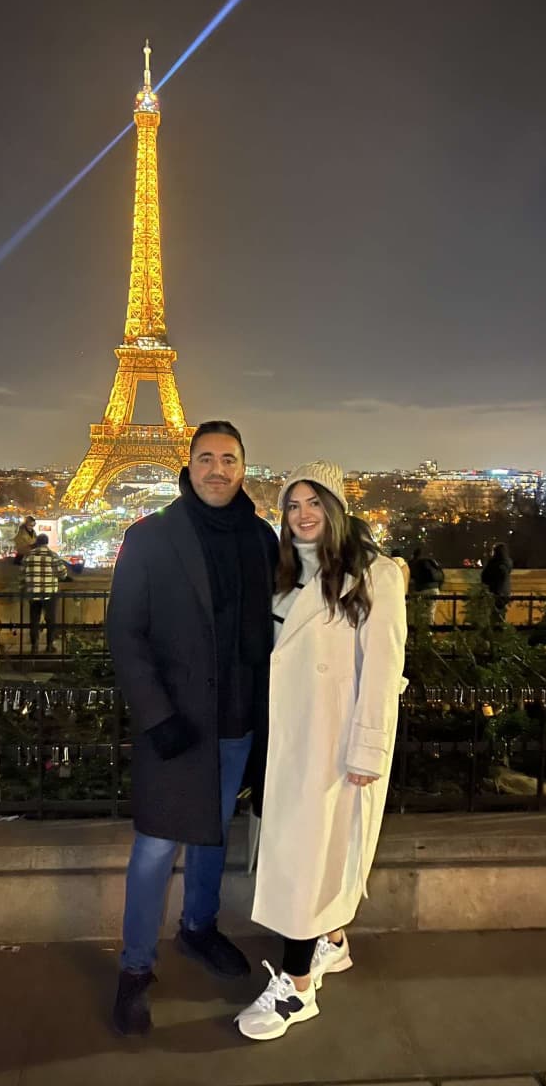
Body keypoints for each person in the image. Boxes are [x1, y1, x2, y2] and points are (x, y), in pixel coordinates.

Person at [107, 420, 278, 1036]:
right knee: (156, 846)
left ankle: (199, 928)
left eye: (228, 459)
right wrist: (157, 717)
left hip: (237, 721)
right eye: (205, 458)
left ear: (243, 467)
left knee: (213, 834)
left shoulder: (262, 538)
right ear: (189, 463)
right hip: (177, 724)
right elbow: (125, 633)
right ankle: (134, 968)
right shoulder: (149, 537)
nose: (216, 470)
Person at [236, 460, 407, 1042]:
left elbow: (383, 673)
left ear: (336, 508)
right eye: (292, 505)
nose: (303, 515)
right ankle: (331, 942)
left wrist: (367, 752)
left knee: (304, 863)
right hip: (280, 738)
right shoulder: (281, 573)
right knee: (303, 855)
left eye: (314, 503)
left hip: (329, 746)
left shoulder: (376, 576)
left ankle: (297, 990)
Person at [20, 533, 69, 653]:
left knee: (34, 620)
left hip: (33, 593)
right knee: (51, 620)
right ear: (47, 543)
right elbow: (63, 574)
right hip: (49, 593)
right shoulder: (52, 555)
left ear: (37, 542)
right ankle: (49, 645)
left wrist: (23, 588)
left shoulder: (28, 556)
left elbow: (21, 575)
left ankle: (34, 645)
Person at [408, 545, 444, 625]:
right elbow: (441, 575)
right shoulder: (432, 562)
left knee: (415, 614)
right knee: (430, 613)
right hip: (434, 589)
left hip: (421, 590)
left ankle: (416, 633)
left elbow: (411, 578)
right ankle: (429, 633)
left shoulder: (413, 563)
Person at [481, 543, 512, 624]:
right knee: (501, 614)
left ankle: (496, 631)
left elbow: (484, 576)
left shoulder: (494, 563)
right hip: (505, 592)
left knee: (494, 616)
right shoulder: (508, 562)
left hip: (495, 592)